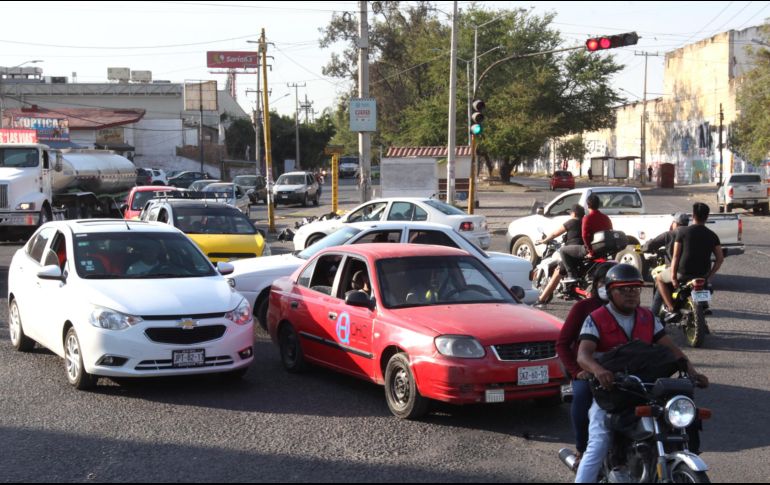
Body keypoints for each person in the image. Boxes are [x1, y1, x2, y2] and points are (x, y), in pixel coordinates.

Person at [574, 264, 708, 483]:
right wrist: (599, 370)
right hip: (612, 391)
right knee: (598, 444)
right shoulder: (596, 318)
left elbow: (671, 350)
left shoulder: (647, 317)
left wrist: (692, 372)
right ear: (610, 292)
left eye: (635, 288)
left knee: (676, 421)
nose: (631, 293)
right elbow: (583, 356)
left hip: (645, 388)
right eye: (623, 289)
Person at [556, 261, 617, 471]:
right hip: (586, 371)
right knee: (582, 400)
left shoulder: (631, 309)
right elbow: (562, 344)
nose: (608, 287)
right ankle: (582, 450)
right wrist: (576, 371)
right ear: (596, 284)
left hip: (620, 370)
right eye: (603, 282)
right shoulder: (583, 308)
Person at [657, 203, 723, 322]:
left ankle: (671, 309)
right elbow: (720, 259)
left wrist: (673, 277)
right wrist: (710, 276)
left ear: (693, 216)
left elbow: (676, 256)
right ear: (707, 217)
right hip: (702, 274)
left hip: (683, 273)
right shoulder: (713, 235)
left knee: (659, 279)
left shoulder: (682, 233)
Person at [534, 204, 586, 306]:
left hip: (571, 252)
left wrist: (544, 241)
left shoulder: (572, 222)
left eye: (571, 213)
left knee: (557, 273)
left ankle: (541, 300)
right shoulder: (584, 222)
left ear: (574, 213)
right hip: (583, 251)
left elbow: (555, 234)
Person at [643, 212, 690, 314]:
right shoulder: (690, 234)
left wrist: (643, 248)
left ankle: (655, 315)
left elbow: (651, 245)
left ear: (675, 223)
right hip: (692, 270)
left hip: (676, 270)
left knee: (659, 280)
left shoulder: (669, 235)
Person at [561, 194, 613, 282]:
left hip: (590, 249)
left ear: (588, 205)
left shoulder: (587, 218)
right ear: (599, 204)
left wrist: (589, 251)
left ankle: (571, 275)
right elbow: (610, 231)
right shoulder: (606, 218)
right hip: (603, 250)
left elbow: (584, 235)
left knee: (563, 250)